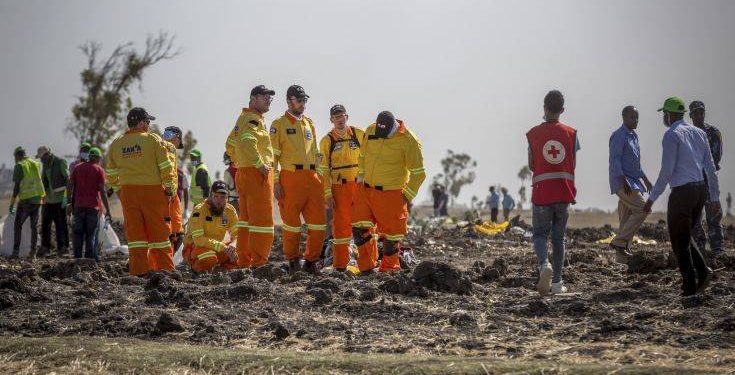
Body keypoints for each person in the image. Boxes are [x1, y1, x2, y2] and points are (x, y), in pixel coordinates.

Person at [644, 97, 720, 296]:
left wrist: (652, 198)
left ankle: (690, 286)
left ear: (669, 115)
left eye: (664, 115)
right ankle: (703, 272)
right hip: (700, 191)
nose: (664, 118)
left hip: (682, 193)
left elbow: (666, 171)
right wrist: (715, 197)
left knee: (679, 242)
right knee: (685, 237)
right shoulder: (699, 133)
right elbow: (710, 168)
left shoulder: (671, 135)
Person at [352, 111, 426, 273]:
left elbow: (419, 173)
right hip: (365, 189)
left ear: (393, 127)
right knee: (359, 229)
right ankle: (366, 267)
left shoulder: (409, 140)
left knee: (390, 237)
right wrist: (360, 178)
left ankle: (389, 270)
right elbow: (363, 155)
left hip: (391, 194)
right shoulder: (371, 130)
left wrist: (406, 196)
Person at [106, 107, 177, 276]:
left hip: (128, 194)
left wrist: (119, 191)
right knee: (160, 235)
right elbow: (166, 168)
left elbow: (111, 174)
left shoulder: (116, 144)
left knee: (136, 237)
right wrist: (170, 191)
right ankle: (165, 271)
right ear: (142, 123)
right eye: (148, 122)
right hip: (152, 194)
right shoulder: (153, 140)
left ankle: (138, 273)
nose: (149, 125)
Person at [527, 90, 579, 296]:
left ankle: (543, 265)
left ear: (544, 108)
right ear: (562, 110)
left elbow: (532, 164)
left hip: (542, 193)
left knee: (540, 234)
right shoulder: (572, 134)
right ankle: (557, 283)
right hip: (564, 192)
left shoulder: (533, 134)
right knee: (559, 239)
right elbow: (573, 162)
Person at [270, 85, 325, 274]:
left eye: (304, 101)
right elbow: (273, 158)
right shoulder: (279, 124)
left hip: (312, 177)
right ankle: (293, 261)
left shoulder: (309, 123)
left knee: (318, 223)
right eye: (299, 100)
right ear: (289, 101)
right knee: (292, 225)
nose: (303, 104)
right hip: (290, 178)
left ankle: (311, 261)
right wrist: (276, 181)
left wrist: (321, 172)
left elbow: (316, 152)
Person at [228, 85, 276, 268]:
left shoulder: (243, 118)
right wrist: (259, 165)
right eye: (265, 96)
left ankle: (244, 261)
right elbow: (248, 141)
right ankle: (259, 262)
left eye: (270, 97)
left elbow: (230, 143)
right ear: (253, 98)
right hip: (257, 175)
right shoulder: (252, 119)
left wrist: (240, 161)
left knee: (246, 221)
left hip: (245, 173)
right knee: (262, 221)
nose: (269, 99)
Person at [318, 104, 365, 271]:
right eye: (336, 117)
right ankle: (340, 266)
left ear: (347, 116)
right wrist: (328, 193)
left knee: (364, 225)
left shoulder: (359, 135)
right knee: (340, 227)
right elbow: (322, 169)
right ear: (331, 120)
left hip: (359, 188)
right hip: (339, 188)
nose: (339, 120)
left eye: (341, 116)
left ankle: (368, 265)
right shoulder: (327, 141)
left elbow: (370, 155)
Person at [607, 106, 653, 262]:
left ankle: (622, 259)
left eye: (637, 117)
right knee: (642, 209)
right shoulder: (618, 136)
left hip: (634, 182)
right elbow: (615, 160)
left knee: (625, 219)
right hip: (623, 182)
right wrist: (623, 179)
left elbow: (636, 164)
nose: (636, 120)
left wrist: (645, 179)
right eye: (632, 117)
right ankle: (619, 242)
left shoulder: (634, 136)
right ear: (624, 118)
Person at [689, 101, 725, 256]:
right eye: (696, 113)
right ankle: (699, 247)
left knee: (714, 214)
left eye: (701, 112)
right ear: (690, 115)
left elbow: (717, 157)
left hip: (709, 180)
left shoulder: (713, 132)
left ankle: (717, 247)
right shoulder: (687, 134)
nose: (699, 115)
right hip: (693, 181)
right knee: (694, 217)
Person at [182, 181, 239, 273]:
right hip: (194, 247)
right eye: (215, 196)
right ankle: (197, 270)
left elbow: (237, 234)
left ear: (227, 198)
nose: (219, 201)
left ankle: (221, 272)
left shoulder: (230, 211)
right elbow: (199, 240)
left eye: (223, 197)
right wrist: (223, 247)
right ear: (210, 196)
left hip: (216, 248)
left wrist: (233, 245)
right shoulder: (199, 210)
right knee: (209, 258)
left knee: (239, 254)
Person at [67, 147, 111, 262]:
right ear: (97, 158)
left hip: (78, 207)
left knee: (78, 235)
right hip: (92, 208)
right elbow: (102, 191)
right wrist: (108, 210)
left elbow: (70, 185)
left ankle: (77, 260)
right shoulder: (99, 170)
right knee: (90, 236)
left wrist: (69, 202)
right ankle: (89, 261)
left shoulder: (77, 168)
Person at [9, 146, 45, 259]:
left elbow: (16, 187)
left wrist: (12, 203)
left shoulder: (20, 166)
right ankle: (33, 253)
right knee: (34, 227)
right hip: (37, 199)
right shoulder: (36, 163)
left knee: (17, 225)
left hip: (26, 201)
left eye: (15, 157)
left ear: (18, 155)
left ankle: (15, 252)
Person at [37, 146, 70, 257]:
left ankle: (63, 247)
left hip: (60, 200)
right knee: (45, 225)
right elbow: (43, 182)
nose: (41, 160)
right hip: (49, 200)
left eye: (41, 157)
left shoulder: (60, 162)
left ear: (47, 155)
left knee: (61, 224)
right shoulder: (45, 165)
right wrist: (42, 199)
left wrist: (67, 197)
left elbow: (68, 180)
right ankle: (45, 247)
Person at [162, 126, 186, 253]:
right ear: (177, 138)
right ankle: (165, 262)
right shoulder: (169, 149)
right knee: (175, 233)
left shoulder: (158, 147)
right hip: (168, 194)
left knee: (171, 232)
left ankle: (162, 262)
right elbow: (168, 171)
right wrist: (169, 192)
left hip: (169, 194)